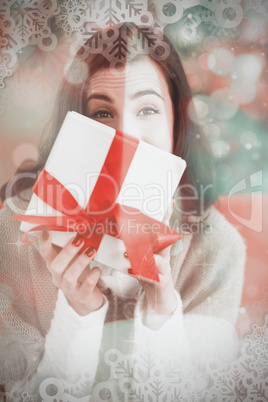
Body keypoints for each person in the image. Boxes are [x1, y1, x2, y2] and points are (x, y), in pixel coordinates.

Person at [0, 23, 246, 400]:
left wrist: (162, 311)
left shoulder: (217, 250)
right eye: (102, 113)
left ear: (177, 122)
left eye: (147, 108)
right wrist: (77, 312)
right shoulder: (14, 232)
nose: (126, 135)